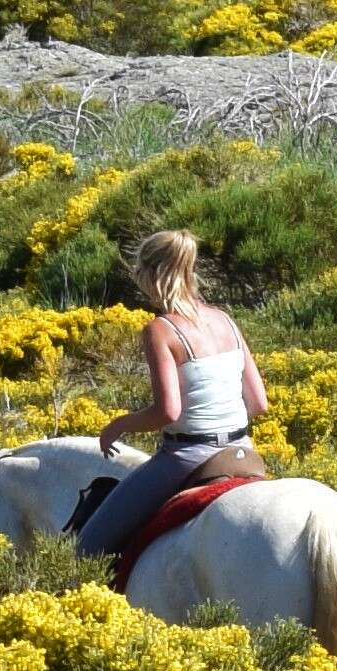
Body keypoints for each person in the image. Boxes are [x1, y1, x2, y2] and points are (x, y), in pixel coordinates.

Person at [71, 231, 262, 565]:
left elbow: (168, 411)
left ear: (151, 275)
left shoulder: (161, 329)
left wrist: (118, 425)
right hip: (243, 452)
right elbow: (258, 402)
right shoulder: (226, 320)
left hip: (188, 454)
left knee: (88, 549)